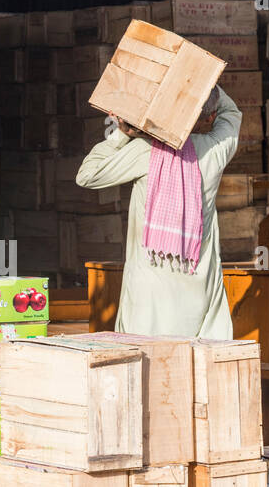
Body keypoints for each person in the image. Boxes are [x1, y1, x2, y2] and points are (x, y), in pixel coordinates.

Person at [75, 85, 242, 337]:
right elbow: (232, 112)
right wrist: (205, 79)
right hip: (199, 290)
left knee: (145, 366)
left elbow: (86, 176)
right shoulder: (216, 149)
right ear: (208, 118)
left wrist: (122, 134)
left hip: (148, 296)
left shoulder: (145, 151)